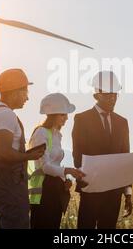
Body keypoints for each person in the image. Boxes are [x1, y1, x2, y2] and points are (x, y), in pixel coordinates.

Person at [0, 68, 45, 229]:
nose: (27, 98)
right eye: (25, 91)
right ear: (14, 91)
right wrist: (29, 156)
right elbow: (4, 153)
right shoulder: (6, 115)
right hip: (9, 183)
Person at [72, 70, 133, 229]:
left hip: (114, 191)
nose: (112, 99)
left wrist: (128, 193)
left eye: (115, 95)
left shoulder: (122, 122)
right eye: (107, 95)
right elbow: (77, 155)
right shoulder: (81, 119)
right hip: (91, 188)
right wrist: (87, 180)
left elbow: (124, 160)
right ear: (96, 95)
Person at [28, 93, 86, 229]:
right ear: (53, 114)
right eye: (63, 114)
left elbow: (55, 165)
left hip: (55, 190)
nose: (66, 118)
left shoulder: (56, 135)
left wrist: (63, 179)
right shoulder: (41, 133)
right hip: (44, 193)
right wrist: (67, 171)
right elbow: (45, 167)